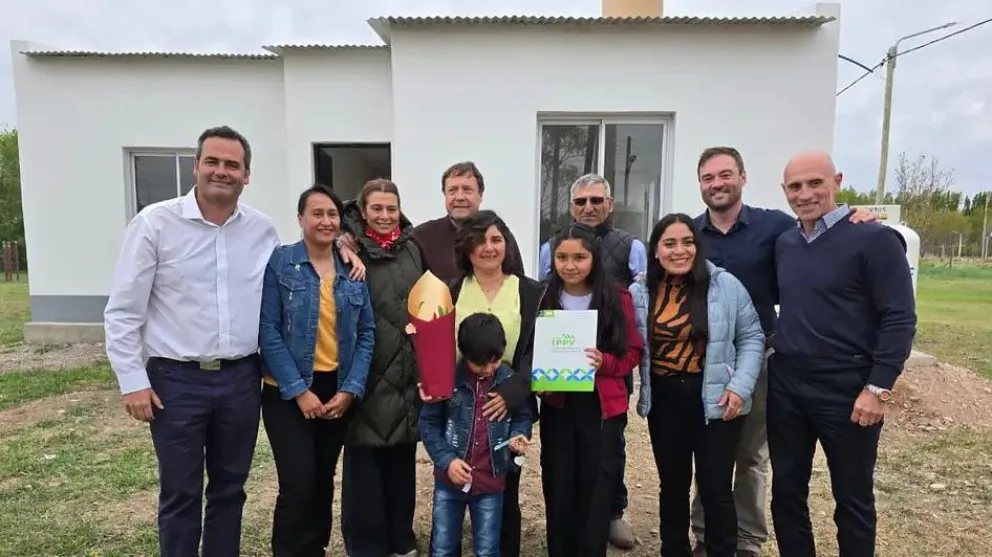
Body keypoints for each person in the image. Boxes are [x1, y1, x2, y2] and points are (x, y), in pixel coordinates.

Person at [688, 146, 877, 557]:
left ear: (742, 177)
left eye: (725, 175)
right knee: (711, 452)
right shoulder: (691, 234)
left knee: (753, 455)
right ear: (700, 183)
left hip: (762, 357)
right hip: (707, 360)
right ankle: (706, 533)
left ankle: (749, 540)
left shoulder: (776, 228)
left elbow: (825, 232)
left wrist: (857, 215)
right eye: (708, 178)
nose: (717, 184)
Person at [103, 125, 279, 557]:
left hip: (241, 378)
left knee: (230, 489)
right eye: (213, 162)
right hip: (175, 382)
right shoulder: (155, 224)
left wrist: (345, 246)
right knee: (180, 492)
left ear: (247, 174)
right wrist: (131, 379)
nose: (222, 171)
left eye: (232, 165)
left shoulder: (261, 230)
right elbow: (124, 309)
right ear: (197, 166)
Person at [769, 151, 916, 557]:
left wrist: (878, 388)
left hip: (848, 389)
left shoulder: (874, 239)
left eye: (815, 183)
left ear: (836, 181)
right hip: (788, 383)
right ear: (785, 192)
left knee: (852, 499)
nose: (805, 194)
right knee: (786, 491)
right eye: (795, 187)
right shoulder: (786, 242)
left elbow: (899, 318)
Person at [631, 213, 765, 557]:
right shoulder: (640, 292)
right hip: (664, 399)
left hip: (717, 397)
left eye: (687, 242)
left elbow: (751, 337)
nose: (680, 250)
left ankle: (721, 550)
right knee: (672, 485)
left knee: (716, 486)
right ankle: (673, 549)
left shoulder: (725, 286)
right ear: (656, 250)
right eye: (669, 243)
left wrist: (740, 387)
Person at [258, 184, 376, 557]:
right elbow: (268, 331)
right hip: (286, 391)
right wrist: (298, 390)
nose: (325, 221)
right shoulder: (281, 262)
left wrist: (351, 389)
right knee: (297, 482)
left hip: (336, 390)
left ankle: (315, 549)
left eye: (331, 215)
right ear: (300, 219)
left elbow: (367, 333)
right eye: (317, 214)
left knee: (323, 479)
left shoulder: (352, 269)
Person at [423, 209, 545, 557]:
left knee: (503, 487)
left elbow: (535, 347)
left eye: (496, 239)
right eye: (480, 240)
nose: (488, 248)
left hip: (510, 397)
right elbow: (437, 343)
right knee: (450, 490)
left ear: (507, 244)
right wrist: (430, 380)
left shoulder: (530, 291)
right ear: (467, 247)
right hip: (460, 398)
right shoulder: (452, 289)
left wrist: (513, 392)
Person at [538, 172, 647, 549]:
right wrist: (539, 379)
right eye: (563, 258)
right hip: (558, 403)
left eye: (580, 257)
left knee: (598, 484)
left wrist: (606, 365)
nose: (571, 265)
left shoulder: (619, 298)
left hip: (603, 406)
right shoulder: (542, 298)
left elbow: (632, 352)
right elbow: (529, 351)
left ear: (593, 259)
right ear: (553, 261)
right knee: (559, 481)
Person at [339, 179, 424, 557]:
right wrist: (342, 242)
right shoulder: (347, 245)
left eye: (391, 209)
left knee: (402, 461)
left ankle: (399, 539)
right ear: (362, 210)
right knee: (364, 465)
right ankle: (367, 545)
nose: (385, 216)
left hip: (405, 369)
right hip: (365, 370)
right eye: (377, 209)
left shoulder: (412, 248)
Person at [420, 312, 534, 557]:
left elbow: (523, 416)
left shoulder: (508, 380)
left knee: (487, 549)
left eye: (495, 361)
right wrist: (447, 461)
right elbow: (428, 425)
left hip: (491, 482)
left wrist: (518, 435)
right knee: (442, 547)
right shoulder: (446, 379)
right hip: (449, 483)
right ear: (464, 354)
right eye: (480, 363)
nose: (488, 369)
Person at [412, 161, 525, 282]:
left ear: (480, 195)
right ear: (445, 195)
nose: (459, 197)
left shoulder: (498, 237)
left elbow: (519, 285)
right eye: (452, 190)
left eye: (467, 190)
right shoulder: (422, 237)